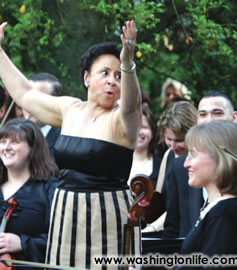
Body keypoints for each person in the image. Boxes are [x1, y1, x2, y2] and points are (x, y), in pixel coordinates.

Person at [0, 20, 141, 269]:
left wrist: (128, 63)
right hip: (65, 216)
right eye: (105, 73)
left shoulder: (123, 120)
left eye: (119, 76)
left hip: (108, 217)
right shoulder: (70, 109)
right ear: (87, 77)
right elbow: (23, 94)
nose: (112, 81)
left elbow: (131, 104)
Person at [162, 91, 237, 238]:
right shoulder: (180, 167)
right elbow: (173, 231)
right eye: (203, 115)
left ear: (234, 117)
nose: (209, 120)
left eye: (217, 113)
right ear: (197, 120)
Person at [176, 120, 237, 269]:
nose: (185, 164)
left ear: (219, 158)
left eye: (193, 155)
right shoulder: (218, 208)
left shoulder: (225, 213)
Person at [0, 118, 59, 269]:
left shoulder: (50, 190)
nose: (6, 147)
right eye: (3, 141)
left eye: (14, 142)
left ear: (33, 148)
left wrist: (23, 242)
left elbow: (62, 240)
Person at [144, 101, 198, 231]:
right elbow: (161, 203)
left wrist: (152, 228)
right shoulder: (169, 155)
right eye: (169, 139)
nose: (173, 146)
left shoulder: (201, 160)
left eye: (179, 140)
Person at [23, 72, 63, 162]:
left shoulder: (66, 141)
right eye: (27, 98)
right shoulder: (10, 134)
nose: (29, 105)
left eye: (38, 99)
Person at [128, 103, 161, 189]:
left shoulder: (161, 165)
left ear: (153, 132)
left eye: (144, 127)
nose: (139, 132)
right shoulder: (117, 163)